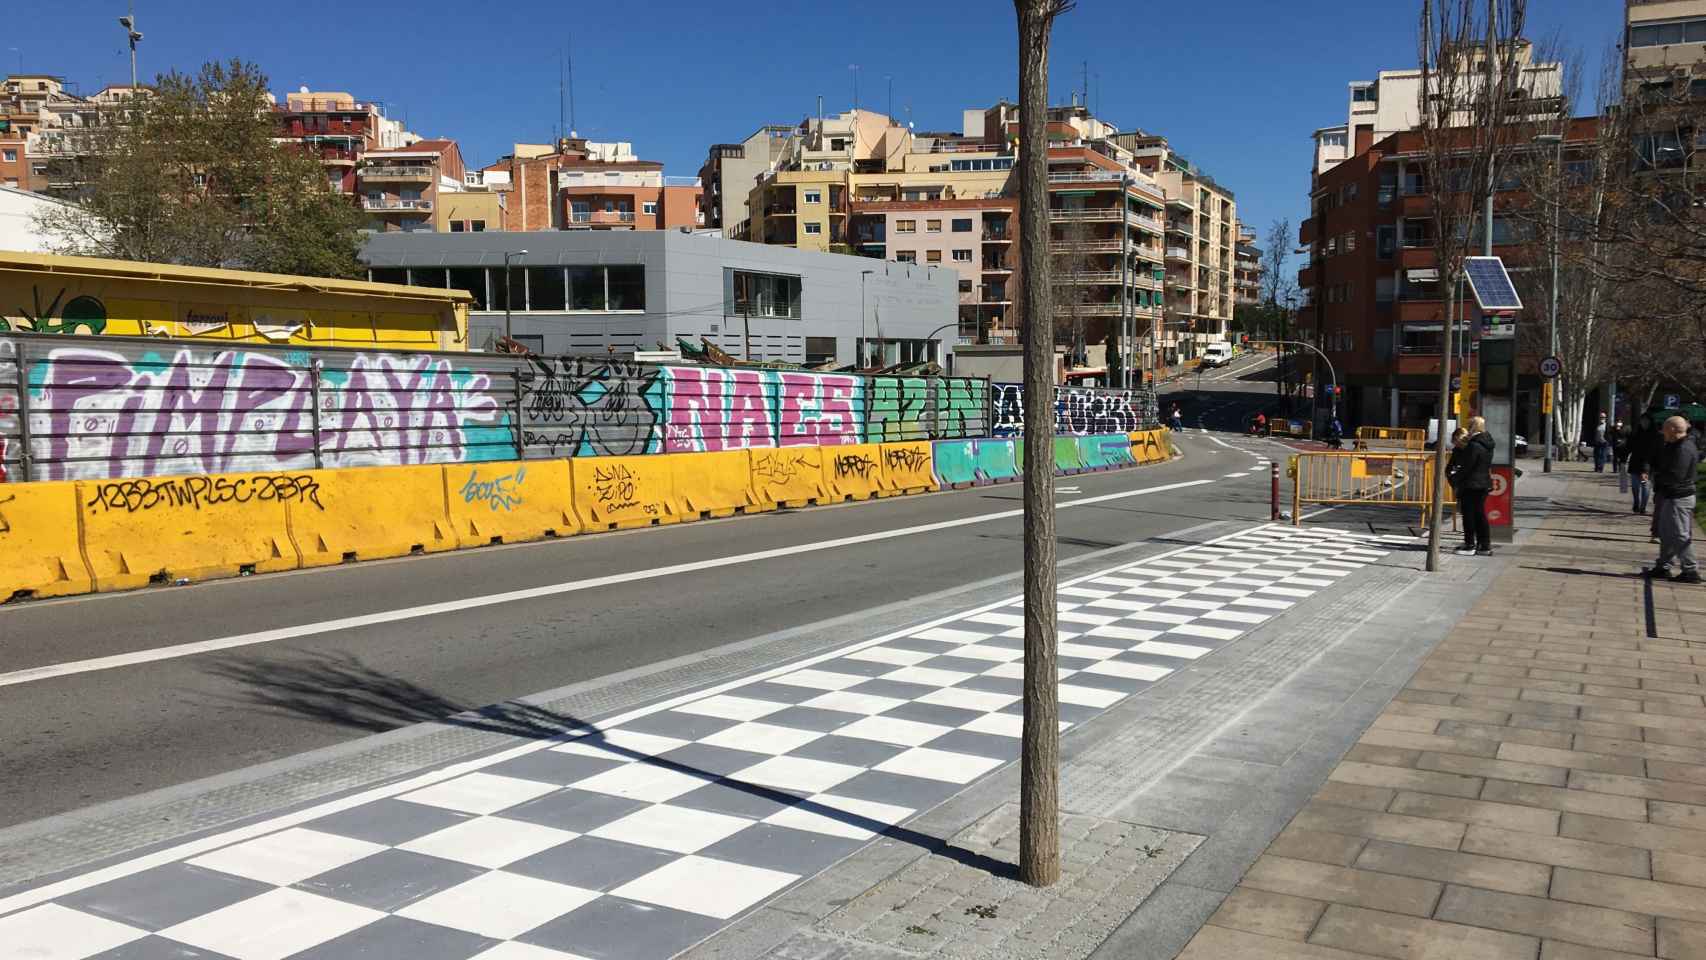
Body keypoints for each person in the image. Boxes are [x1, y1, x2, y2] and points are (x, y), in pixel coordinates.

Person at [1647, 415, 1701, 583]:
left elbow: (1676, 474)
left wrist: (1659, 477)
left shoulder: (1683, 448)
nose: (1662, 431)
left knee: (1679, 534)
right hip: (1671, 494)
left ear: (1672, 430)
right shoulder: (1674, 445)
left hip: (1679, 496)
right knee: (1666, 533)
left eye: (1664, 428)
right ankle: (1663, 566)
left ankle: (1691, 570)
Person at [1454, 416, 1495, 557]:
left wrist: (1456, 478)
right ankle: (1484, 544)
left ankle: (1470, 544)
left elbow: (1467, 466)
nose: (1468, 427)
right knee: (1480, 515)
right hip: (1483, 483)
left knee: (1470, 515)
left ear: (1473, 427)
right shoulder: (1487, 442)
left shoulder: (1474, 445)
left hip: (1472, 484)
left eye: (1469, 425)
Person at [1627, 413, 1658, 515]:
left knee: (1645, 486)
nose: (1644, 423)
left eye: (1646, 421)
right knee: (1635, 486)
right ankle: (1636, 502)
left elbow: (1653, 453)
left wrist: (1646, 469)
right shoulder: (1636, 433)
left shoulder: (1654, 435)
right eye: (1642, 420)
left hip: (1647, 465)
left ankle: (1643, 506)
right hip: (1635, 463)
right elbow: (1629, 446)